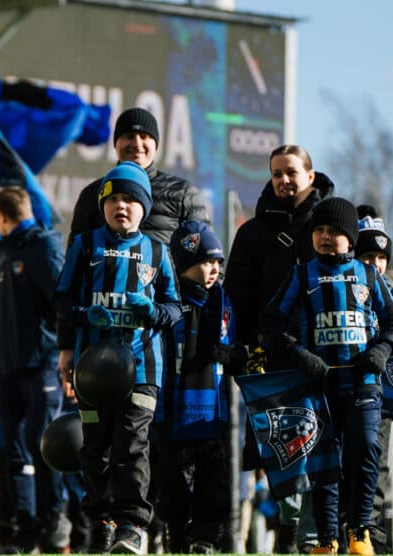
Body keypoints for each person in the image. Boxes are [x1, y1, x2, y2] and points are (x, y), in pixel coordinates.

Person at [259, 197, 393, 555]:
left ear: (351, 238)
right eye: (319, 230)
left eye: (334, 231)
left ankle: (360, 531)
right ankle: (327, 540)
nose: (325, 236)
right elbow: (270, 322)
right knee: (325, 461)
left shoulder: (369, 275)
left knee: (367, 448)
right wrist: (300, 356)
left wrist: (381, 351)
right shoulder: (301, 274)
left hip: (364, 384)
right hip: (319, 387)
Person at [54, 162, 181, 555]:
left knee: (132, 445)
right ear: (103, 205)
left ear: (144, 207)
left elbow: (176, 306)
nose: (121, 206)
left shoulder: (158, 251)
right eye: (114, 199)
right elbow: (61, 298)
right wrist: (79, 320)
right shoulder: (85, 245)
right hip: (91, 371)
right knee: (95, 449)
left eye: (130, 199)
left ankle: (131, 526)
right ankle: (100, 523)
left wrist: (153, 313)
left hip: (142, 369)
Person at [223, 144, 334, 553]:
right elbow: (235, 299)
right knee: (282, 452)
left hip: (324, 358)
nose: (284, 180)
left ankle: (323, 536)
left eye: (291, 172)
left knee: (324, 452)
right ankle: (288, 534)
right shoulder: (252, 234)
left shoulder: (331, 225)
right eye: (276, 174)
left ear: (310, 174)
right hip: (271, 361)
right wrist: (239, 347)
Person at [0, 186, 70, 553]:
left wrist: (66, 353)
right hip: (8, 372)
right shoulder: (9, 253)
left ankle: (53, 523)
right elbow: (4, 325)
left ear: (0, 217)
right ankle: (21, 530)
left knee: (45, 447)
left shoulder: (43, 247)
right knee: (12, 452)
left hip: (41, 366)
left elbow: (63, 304)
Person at [155, 220, 242, 554]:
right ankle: (175, 536)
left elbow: (234, 347)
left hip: (212, 417)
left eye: (219, 263)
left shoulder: (223, 303)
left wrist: (233, 355)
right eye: (207, 261)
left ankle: (204, 540)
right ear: (186, 262)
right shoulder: (169, 302)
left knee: (213, 484)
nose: (214, 270)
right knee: (171, 487)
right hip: (173, 415)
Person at [347, 204, 393, 554]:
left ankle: (370, 534)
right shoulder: (343, 287)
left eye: (380, 256)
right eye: (367, 254)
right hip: (343, 392)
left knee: (377, 463)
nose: (374, 262)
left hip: (381, 398)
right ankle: (335, 531)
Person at [68, 107, 209, 246]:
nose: (137, 143)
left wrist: (169, 262)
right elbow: (75, 256)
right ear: (115, 144)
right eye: (129, 136)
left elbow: (203, 253)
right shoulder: (92, 194)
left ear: (155, 144)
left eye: (144, 137)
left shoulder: (183, 194)